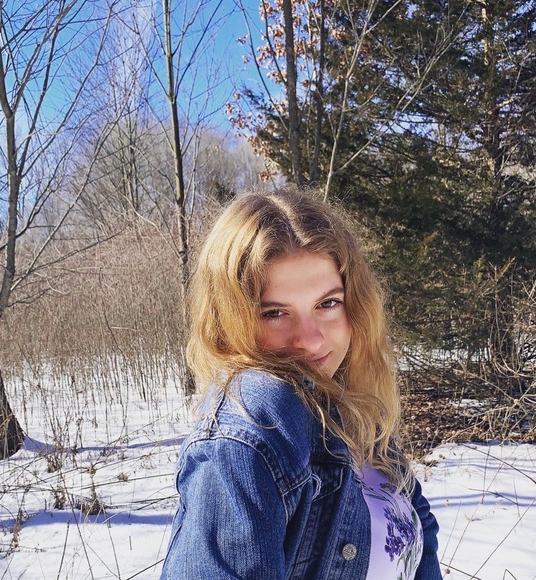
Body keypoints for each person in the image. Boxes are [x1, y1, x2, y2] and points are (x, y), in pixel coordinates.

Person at [161, 188, 441, 580]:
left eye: (328, 304)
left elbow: (419, 540)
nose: (310, 339)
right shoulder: (253, 427)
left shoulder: (355, 408)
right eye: (275, 313)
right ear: (230, 319)